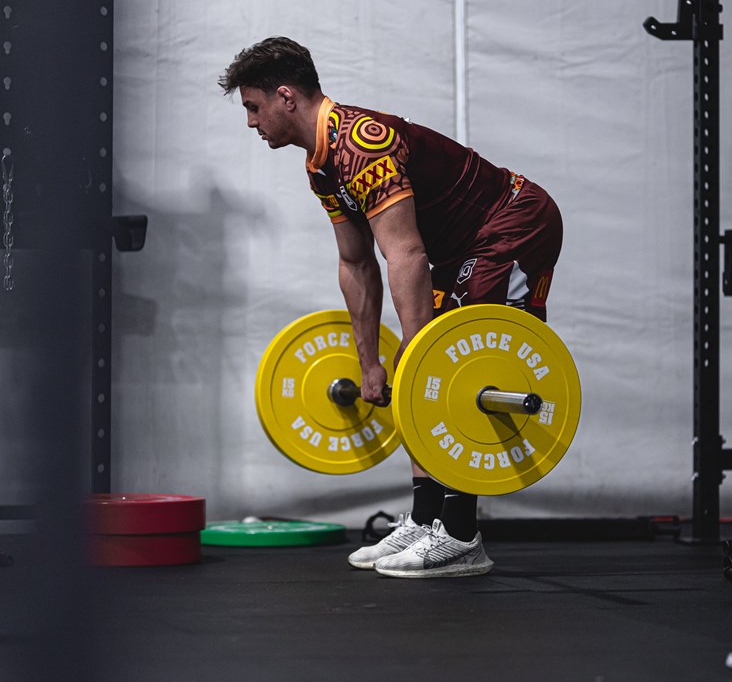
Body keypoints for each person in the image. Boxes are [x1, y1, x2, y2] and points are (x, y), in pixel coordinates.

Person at [219, 37, 563, 578]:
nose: (251, 122)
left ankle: (460, 533)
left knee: (451, 364)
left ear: (285, 96)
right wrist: (370, 363)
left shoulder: (362, 144)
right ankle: (426, 518)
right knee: (417, 372)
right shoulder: (321, 166)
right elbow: (356, 263)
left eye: (253, 107)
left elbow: (404, 253)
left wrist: (416, 350)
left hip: (513, 222)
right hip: (457, 250)